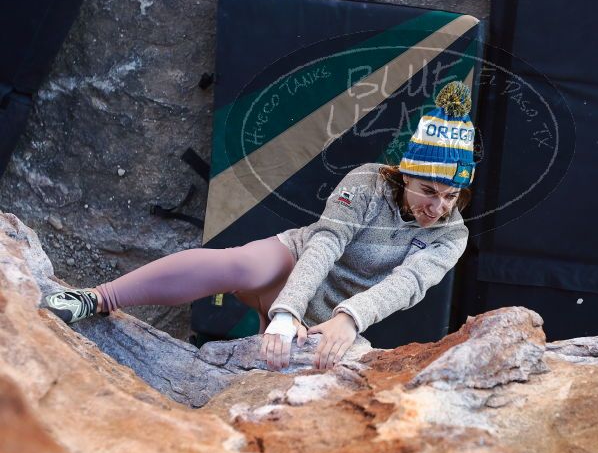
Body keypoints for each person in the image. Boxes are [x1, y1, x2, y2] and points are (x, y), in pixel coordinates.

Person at [42, 81, 477, 370]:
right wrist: (286, 310)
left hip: (333, 315)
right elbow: (326, 242)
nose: (438, 206)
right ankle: (96, 298)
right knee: (239, 266)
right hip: (294, 265)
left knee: (306, 371)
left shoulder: (451, 235)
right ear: (404, 175)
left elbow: (407, 284)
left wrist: (350, 319)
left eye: (451, 196)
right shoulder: (366, 182)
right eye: (428, 190)